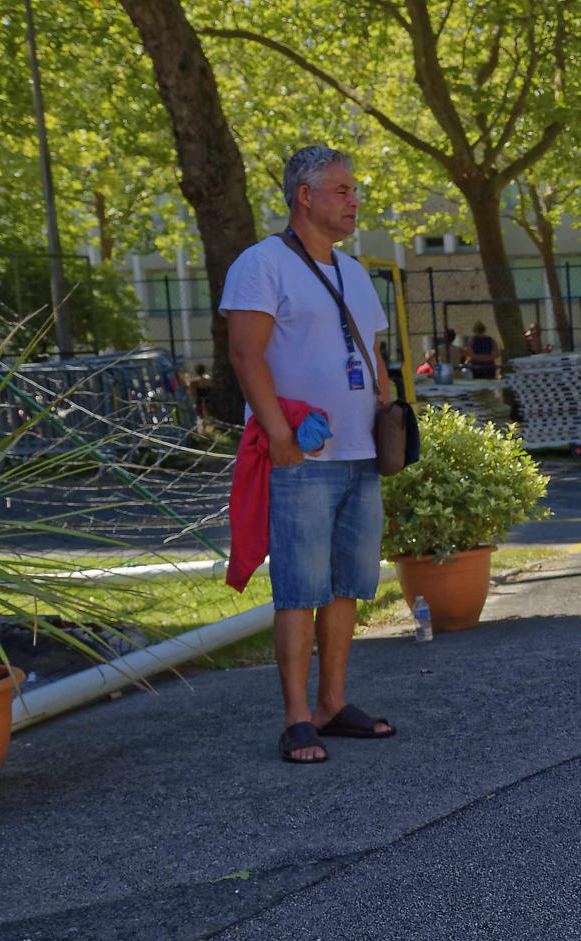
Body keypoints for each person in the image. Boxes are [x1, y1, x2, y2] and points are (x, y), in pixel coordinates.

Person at [219, 145, 395, 764]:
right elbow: (246, 355)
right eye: (343, 190)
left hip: (359, 451)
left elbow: (371, 354)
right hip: (300, 457)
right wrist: (283, 440)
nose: (355, 201)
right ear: (305, 196)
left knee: (347, 585)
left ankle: (332, 704)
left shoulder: (353, 270)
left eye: (353, 190)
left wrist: (388, 406)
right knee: (298, 589)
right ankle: (297, 717)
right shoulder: (261, 264)